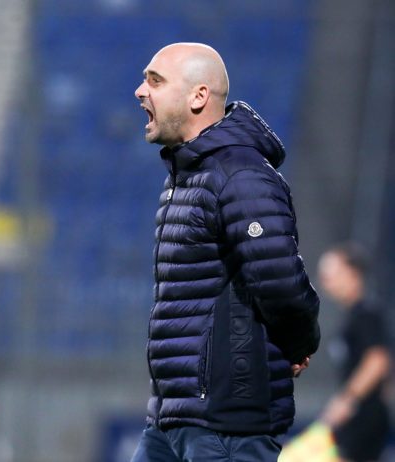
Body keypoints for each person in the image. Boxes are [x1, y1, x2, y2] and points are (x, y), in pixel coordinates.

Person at [131, 42, 321, 462]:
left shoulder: (239, 174)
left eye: (155, 81)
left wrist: (299, 342)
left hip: (226, 424)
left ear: (198, 96)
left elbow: (281, 282)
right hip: (173, 417)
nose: (140, 91)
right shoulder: (188, 175)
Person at [318, 242, 392, 462]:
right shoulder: (351, 316)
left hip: (364, 417)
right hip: (356, 417)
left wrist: (347, 400)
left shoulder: (367, 313)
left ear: (353, 273)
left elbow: (378, 360)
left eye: (331, 274)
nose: (325, 281)